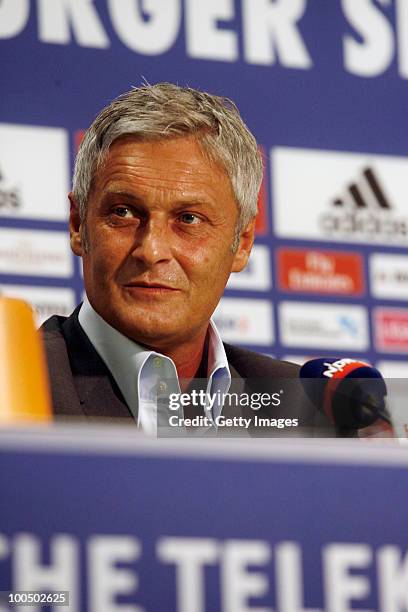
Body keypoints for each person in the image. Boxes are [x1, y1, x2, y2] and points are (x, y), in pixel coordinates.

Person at [41, 82, 326, 436]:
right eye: (124, 212)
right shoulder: (17, 386)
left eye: (188, 219)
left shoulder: (309, 410)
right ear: (78, 224)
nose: (152, 250)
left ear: (242, 243)